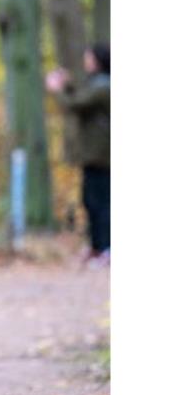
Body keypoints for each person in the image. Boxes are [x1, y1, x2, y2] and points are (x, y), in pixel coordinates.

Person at [46, 44, 111, 267]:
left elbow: (76, 104)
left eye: (89, 57)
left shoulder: (104, 86)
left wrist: (59, 88)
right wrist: (68, 85)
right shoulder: (98, 84)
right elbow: (82, 99)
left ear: (98, 60)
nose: (86, 61)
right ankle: (96, 246)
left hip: (102, 156)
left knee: (101, 202)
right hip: (94, 155)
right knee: (90, 201)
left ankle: (106, 248)